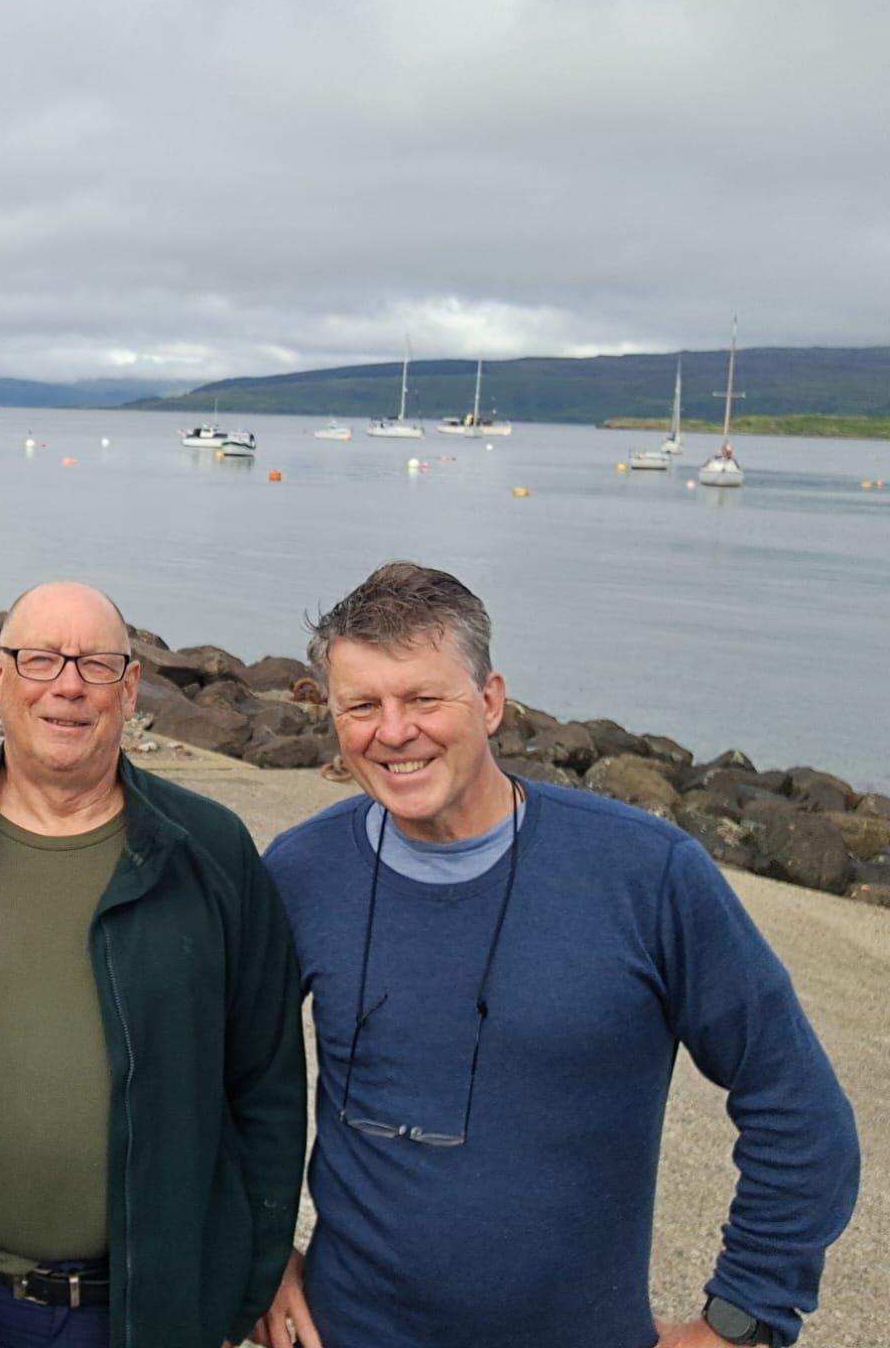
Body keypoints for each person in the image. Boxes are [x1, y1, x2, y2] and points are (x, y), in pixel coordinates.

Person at [256, 562, 859, 1348]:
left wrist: (742, 1318)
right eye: (362, 706)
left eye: (424, 699)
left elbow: (799, 1110)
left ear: (491, 702)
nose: (394, 731)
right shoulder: (302, 871)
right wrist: (256, 1255)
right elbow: (221, 1082)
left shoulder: (645, 873)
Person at [0, 580, 307, 1348]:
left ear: (129, 690)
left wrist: (242, 1289)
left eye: (96, 665)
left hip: (145, 1313)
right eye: (41, 660)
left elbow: (267, 1089)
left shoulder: (210, 853)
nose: (68, 686)